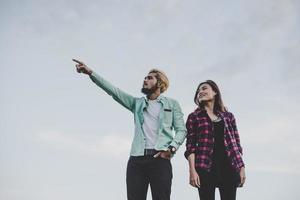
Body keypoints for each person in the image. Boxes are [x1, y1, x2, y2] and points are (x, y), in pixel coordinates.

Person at [72, 59, 186, 200]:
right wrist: (91, 73)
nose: (145, 80)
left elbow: (182, 130)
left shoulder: (172, 104)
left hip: (160, 159)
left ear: (160, 83)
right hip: (137, 160)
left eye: (149, 78)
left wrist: (171, 149)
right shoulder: (136, 103)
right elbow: (114, 91)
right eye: (144, 77)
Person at [184, 80, 246, 200]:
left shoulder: (228, 116)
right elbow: (190, 146)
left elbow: (237, 145)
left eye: (204, 88)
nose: (200, 92)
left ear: (215, 92)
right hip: (205, 166)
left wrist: (241, 167)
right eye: (198, 91)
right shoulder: (194, 117)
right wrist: (192, 171)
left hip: (229, 166)